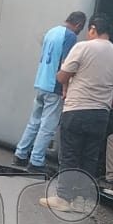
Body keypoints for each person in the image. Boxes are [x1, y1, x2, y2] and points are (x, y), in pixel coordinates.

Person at [42, 14, 113, 211]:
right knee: (89, 157)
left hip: (77, 108)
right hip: (101, 113)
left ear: (93, 29)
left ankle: (63, 198)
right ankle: (81, 200)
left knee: (70, 154)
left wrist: (63, 73)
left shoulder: (82, 47)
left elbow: (63, 77)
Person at [14, 10, 86, 171]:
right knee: (48, 126)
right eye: (80, 29)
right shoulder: (70, 36)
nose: (79, 32)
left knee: (34, 121)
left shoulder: (51, 32)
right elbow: (65, 64)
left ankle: (20, 154)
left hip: (41, 81)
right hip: (54, 86)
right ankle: (36, 161)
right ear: (79, 25)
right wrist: (65, 88)